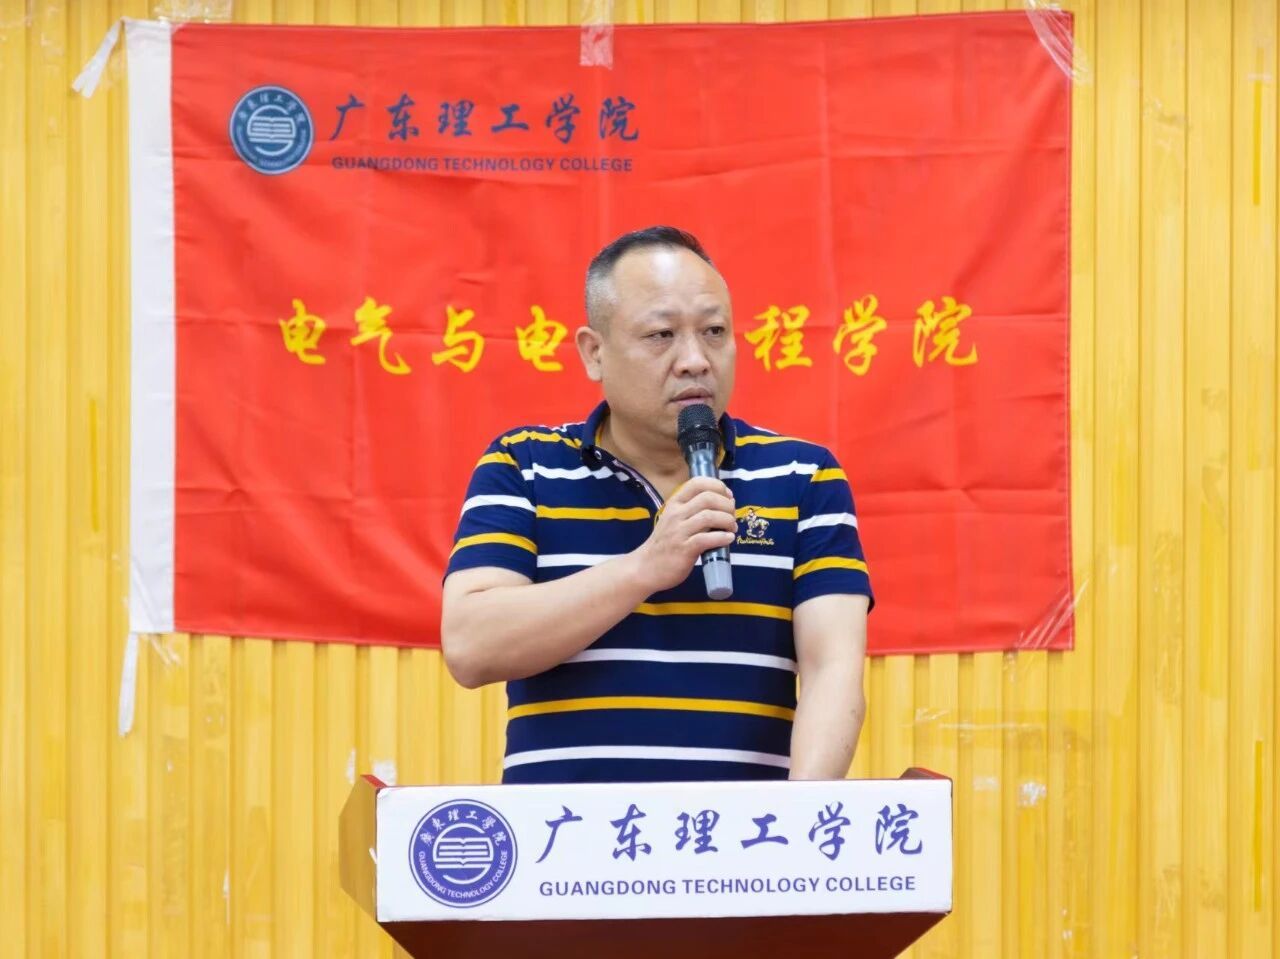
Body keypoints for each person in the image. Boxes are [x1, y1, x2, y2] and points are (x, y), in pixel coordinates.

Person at [440, 226, 872, 784]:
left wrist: (795, 821)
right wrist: (646, 567)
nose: (695, 360)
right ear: (594, 353)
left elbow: (832, 670)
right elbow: (470, 646)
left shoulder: (802, 476)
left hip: (745, 833)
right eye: (661, 335)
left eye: (714, 331)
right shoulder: (525, 466)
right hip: (566, 834)